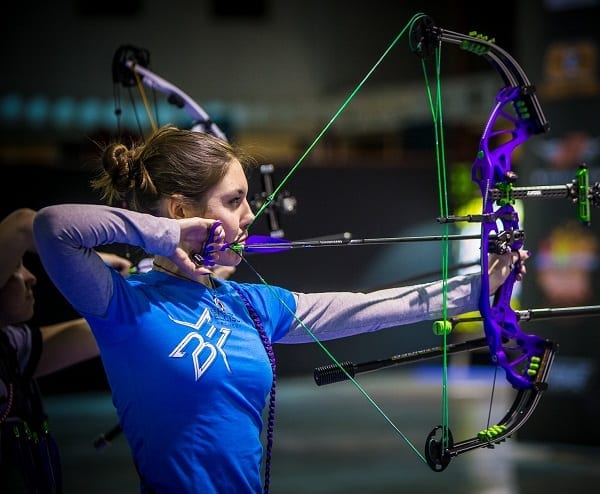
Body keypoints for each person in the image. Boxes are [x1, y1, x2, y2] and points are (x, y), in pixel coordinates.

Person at [31, 125, 528, 494]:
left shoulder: (249, 303)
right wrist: (166, 234)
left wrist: (478, 288)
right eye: (235, 200)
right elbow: (53, 227)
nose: (250, 215)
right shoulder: (123, 304)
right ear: (183, 210)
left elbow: (367, 308)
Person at [0, 207, 132, 494]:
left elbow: (115, 327)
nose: (30, 276)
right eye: (15, 266)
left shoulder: (12, 349)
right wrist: (91, 263)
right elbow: (24, 223)